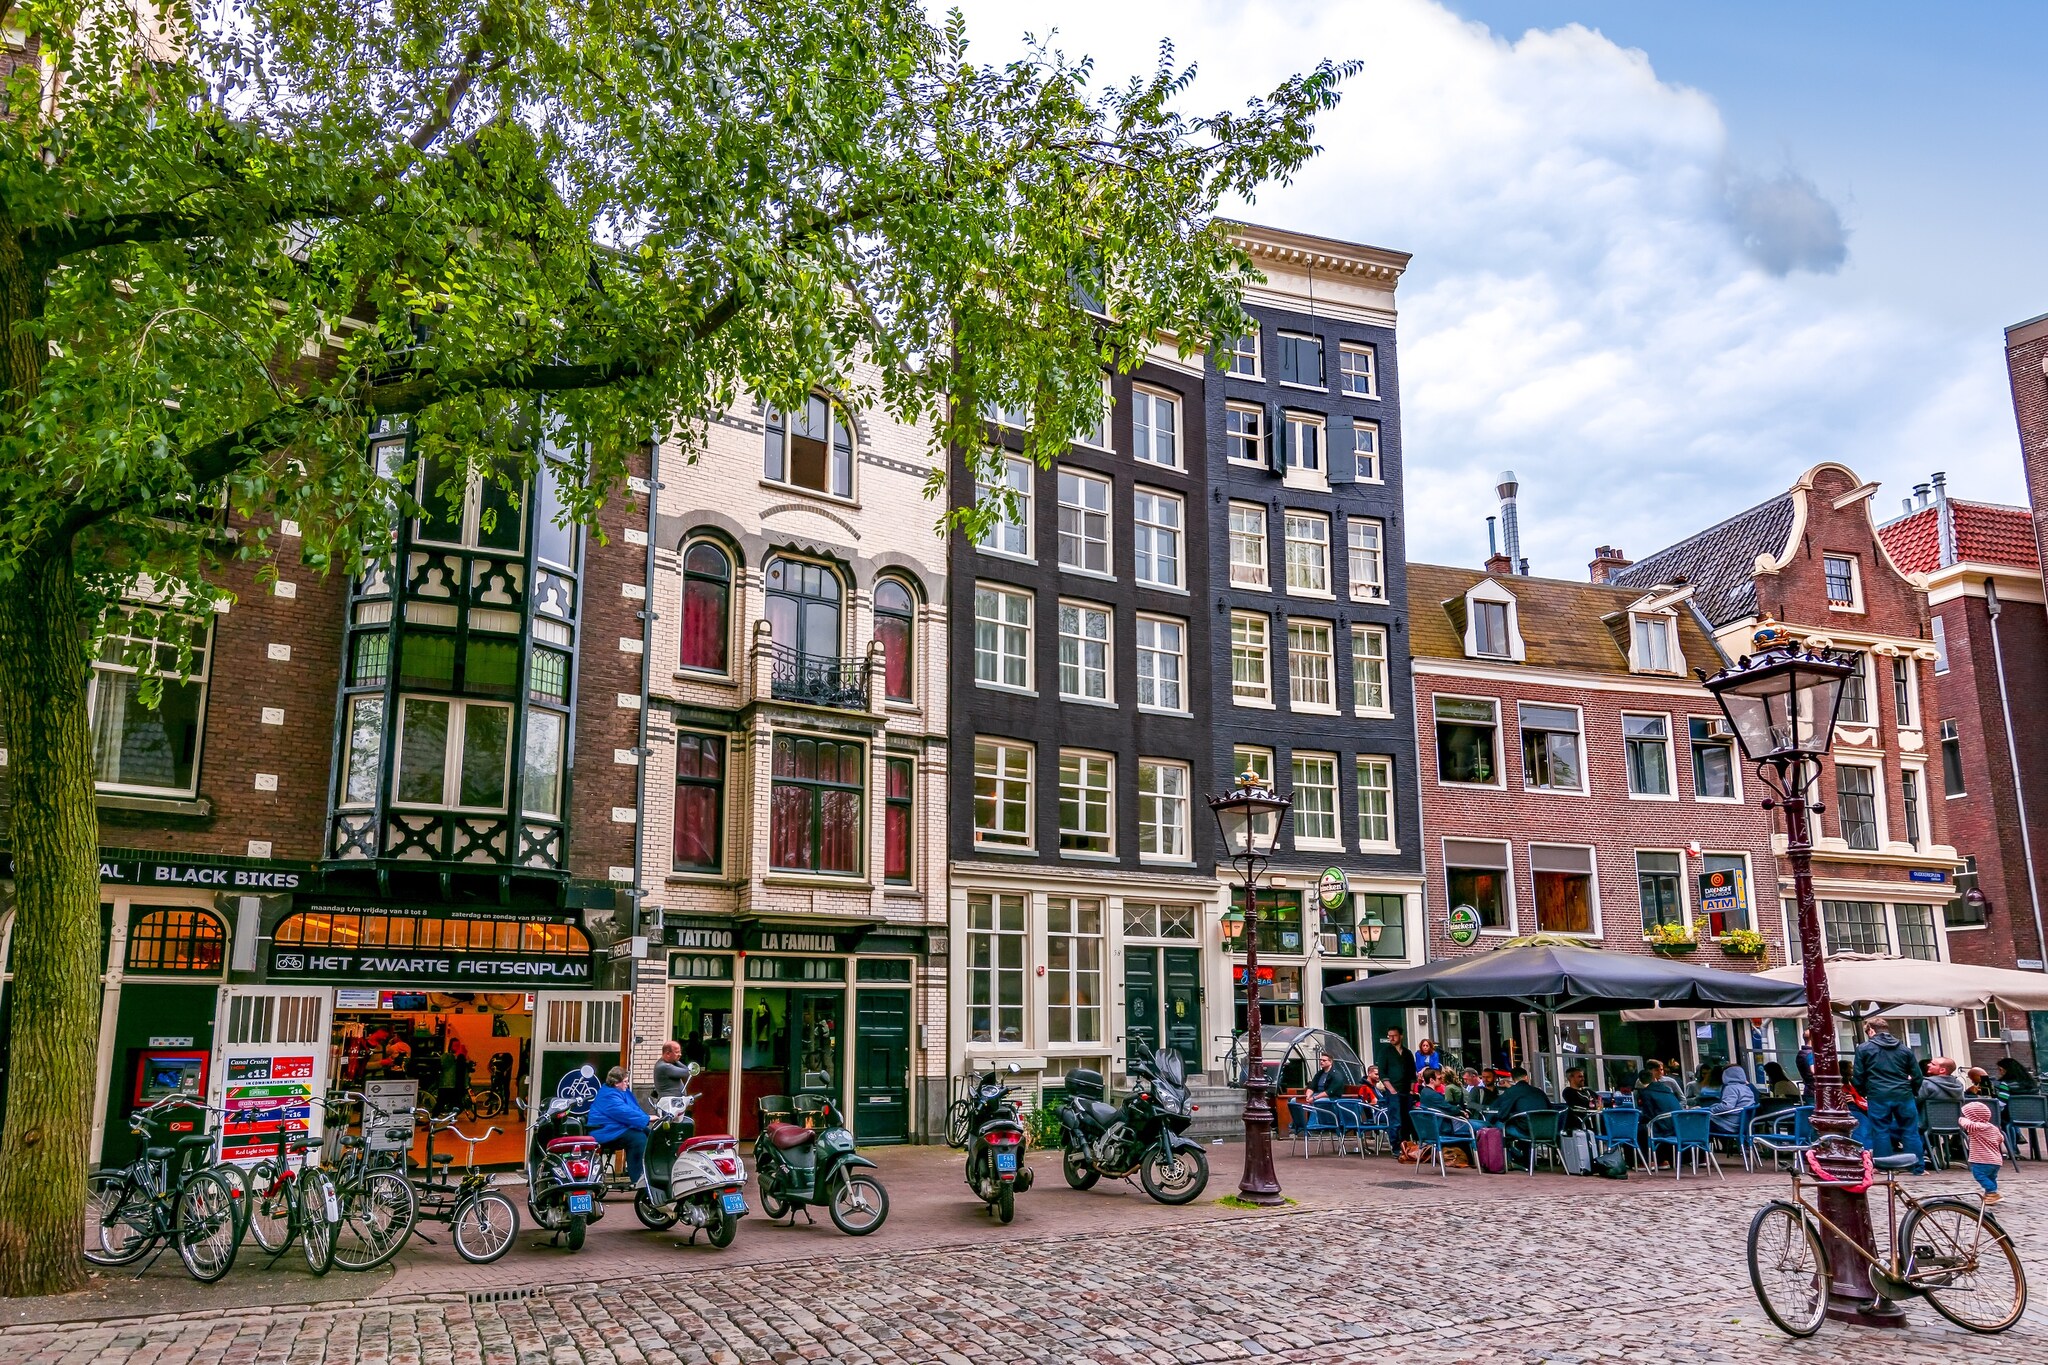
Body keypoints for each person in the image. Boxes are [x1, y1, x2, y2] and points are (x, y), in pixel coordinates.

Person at [1852, 1020, 1925, 1174]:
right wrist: (1912, 1090)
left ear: (1871, 1030)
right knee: (1910, 1131)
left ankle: (1883, 1166)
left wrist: (1864, 1092)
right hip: (1904, 1094)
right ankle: (1917, 1167)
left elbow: (1858, 1075)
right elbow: (1917, 1075)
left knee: (1880, 1130)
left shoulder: (1863, 1049)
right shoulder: (1904, 1049)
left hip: (1877, 1094)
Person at [588, 1065, 652, 1182]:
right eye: (625, 1081)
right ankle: (638, 1178)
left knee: (650, 1134)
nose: (627, 1084)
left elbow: (633, 1109)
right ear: (616, 1083)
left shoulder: (620, 1091)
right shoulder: (608, 1096)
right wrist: (647, 1118)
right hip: (604, 1131)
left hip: (615, 1127)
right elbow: (624, 1112)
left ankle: (649, 1172)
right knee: (638, 1139)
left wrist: (645, 1118)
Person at [1490, 1067, 1554, 1164]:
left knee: (1498, 1126)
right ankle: (1525, 1158)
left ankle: (1511, 1159)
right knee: (1522, 1123)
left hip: (1527, 1132)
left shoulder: (1512, 1091)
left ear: (1513, 1079)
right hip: (1547, 1130)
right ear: (1526, 1077)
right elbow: (1550, 1109)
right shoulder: (1539, 1091)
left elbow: (1502, 1115)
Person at [1957, 1099, 2006, 1206]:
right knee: (1991, 1177)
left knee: (1979, 1175)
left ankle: (1992, 1192)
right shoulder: (1993, 1127)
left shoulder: (1977, 1127)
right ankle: (1990, 1195)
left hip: (1982, 1159)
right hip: (1996, 1160)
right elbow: (2001, 1138)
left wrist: (1961, 1119)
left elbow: (1968, 1125)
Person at [1374, 1027, 1418, 1140]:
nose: (1391, 1038)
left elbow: (1412, 1073)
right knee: (1395, 1121)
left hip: (1406, 1092)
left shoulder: (1407, 1053)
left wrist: (1411, 1090)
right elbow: (1383, 1073)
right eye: (1389, 1036)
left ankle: (1406, 1144)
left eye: (1394, 1036)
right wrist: (1392, 1090)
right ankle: (1396, 1146)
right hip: (1394, 1092)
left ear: (1401, 1036)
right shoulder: (1384, 1052)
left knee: (1407, 1121)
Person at [1635, 1062, 1683, 1165]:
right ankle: (1664, 1160)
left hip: (1662, 1127)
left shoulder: (1646, 1093)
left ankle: (1645, 1162)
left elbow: (1649, 1115)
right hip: (1676, 1127)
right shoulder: (1668, 1091)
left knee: (1638, 1130)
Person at [1708, 1065, 1758, 1139]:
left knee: (1702, 1121)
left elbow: (1727, 1106)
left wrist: (1711, 1110)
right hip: (1742, 1124)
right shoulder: (1746, 1088)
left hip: (1729, 1125)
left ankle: (1700, 1145)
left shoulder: (1730, 1088)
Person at [1561, 1067, 1598, 1133]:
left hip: (1596, 1118)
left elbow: (1601, 1100)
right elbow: (1577, 1104)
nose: (1583, 1079)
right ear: (1571, 1078)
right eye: (1580, 1077)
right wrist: (1594, 1105)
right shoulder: (1568, 1092)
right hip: (1582, 1121)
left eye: (1583, 1076)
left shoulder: (1588, 1091)